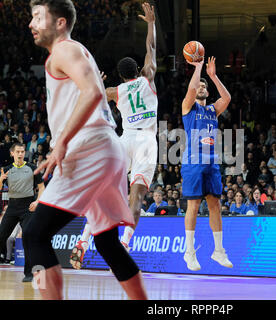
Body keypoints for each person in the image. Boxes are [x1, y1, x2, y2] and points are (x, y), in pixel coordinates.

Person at [24, 0, 147, 300]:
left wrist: (63, 140)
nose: (31, 23)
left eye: (39, 17)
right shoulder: (74, 52)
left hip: (89, 149)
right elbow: (91, 90)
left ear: (61, 22)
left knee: (34, 234)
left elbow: (93, 92)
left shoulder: (64, 50)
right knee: (106, 242)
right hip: (107, 150)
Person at [71, 2, 157, 261]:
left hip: (125, 138)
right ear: (138, 72)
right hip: (146, 140)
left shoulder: (115, 92)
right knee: (137, 195)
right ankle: (125, 243)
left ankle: (83, 241)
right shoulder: (148, 79)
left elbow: (89, 97)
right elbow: (150, 49)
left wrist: (97, 81)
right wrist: (151, 23)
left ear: (120, 76)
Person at [181, 55, 233, 271]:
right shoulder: (188, 107)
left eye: (204, 86)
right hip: (193, 163)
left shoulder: (213, 110)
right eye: (199, 85)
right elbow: (191, 90)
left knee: (215, 205)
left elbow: (227, 98)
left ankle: (218, 251)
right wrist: (198, 68)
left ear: (208, 91)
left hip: (211, 163)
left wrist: (213, 75)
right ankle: (189, 252)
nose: (201, 87)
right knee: (193, 205)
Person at [0, 143, 45, 282]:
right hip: (12, 206)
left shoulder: (32, 167)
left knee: (28, 239)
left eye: (22, 151)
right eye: (18, 152)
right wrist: (1, 180)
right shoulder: (6, 169)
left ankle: (29, 273)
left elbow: (41, 187)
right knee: (1, 235)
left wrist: (37, 201)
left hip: (28, 206)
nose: (20, 154)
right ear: (12, 153)